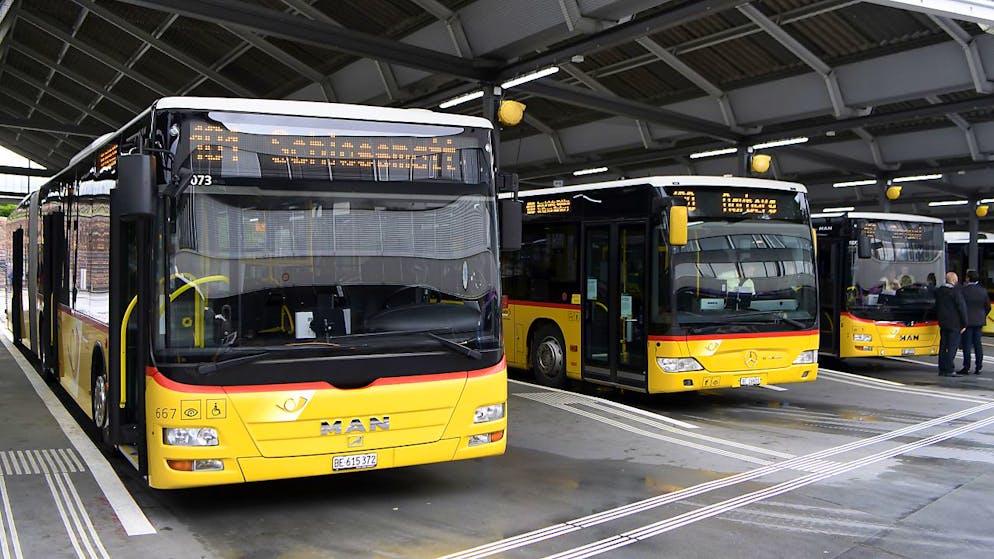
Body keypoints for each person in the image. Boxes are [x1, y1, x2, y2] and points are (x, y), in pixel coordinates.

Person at [935, 271, 967, 377]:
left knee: (943, 346)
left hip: (943, 323)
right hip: (954, 323)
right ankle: (949, 369)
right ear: (953, 280)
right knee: (952, 347)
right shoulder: (955, 292)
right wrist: (964, 324)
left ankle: (942, 369)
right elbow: (961, 308)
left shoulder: (939, 291)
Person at [958, 270, 990, 375]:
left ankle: (966, 367)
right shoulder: (983, 291)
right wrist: (982, 315)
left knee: (967, 345)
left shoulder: (963, 290)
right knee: (978, 344)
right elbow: (988, 307)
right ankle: (979, 367)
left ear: (968, 278)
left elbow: (960, 306)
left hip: (967, 321)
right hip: (979, 321)